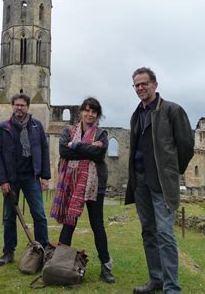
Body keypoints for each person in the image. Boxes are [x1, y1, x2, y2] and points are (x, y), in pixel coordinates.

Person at [125, 67, 194, 294]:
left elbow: (186, 146)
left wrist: (172, 171)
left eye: (144, 83)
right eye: (137, 85)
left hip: (162, 183)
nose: (140, 88)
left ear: (155, 84)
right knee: (149, 232)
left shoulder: (172, 110)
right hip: (141, 182)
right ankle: (156, 279)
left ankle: (171, 287)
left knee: (165, 233)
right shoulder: (137, 114)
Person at [50, 97, 116, 284]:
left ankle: (106, 267)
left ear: (97, 115)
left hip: (95, 185)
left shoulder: (101, 134)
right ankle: (59, 265)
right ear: (81, 112)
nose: (90, 114)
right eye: (87, 110)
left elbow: (98, 154)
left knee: (97, 225)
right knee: (69, 222)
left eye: (94, 111)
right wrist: (87, 149)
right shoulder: (68, 131)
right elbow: (64, 152)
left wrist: (76, 146)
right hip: (73, 183)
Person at [0, 93, 51, 266]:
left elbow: (44, 151)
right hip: (11, 179)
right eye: (17, 105)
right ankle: (8, 252)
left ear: (28, 107)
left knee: (39, 214)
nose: (19, 108)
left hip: (31, 177)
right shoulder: (4, 128)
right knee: (9, 216)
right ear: (12, 106)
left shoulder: (36, 126)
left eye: (23, 105)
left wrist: (45, 177)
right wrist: (2, 181)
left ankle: (44, 250)